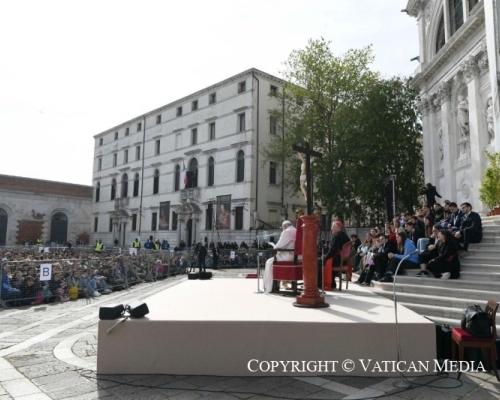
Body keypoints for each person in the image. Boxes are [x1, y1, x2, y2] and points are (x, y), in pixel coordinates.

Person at [263, 220, 296, 293]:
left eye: (282, 228)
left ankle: (269, 286)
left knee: (269, 262)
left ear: (284, 226)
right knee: (272, 260)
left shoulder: (286, 231)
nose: (282, 229)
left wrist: (274, 247)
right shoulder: (296, 230)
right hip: (296, 256)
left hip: (288, 256)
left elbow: (279, 246)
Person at [324, 221, 350, 289]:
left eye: (332, 227)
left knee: (319, 263)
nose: (331, 228)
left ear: (338, 228)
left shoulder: (337, 237)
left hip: (337, 261)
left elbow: (332, 251)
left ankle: (324, 284)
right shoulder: (344, 235)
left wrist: (325, 257)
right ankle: (332, 283)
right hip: (342, 261)